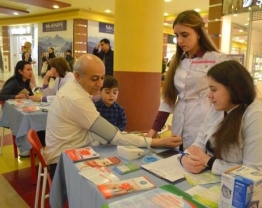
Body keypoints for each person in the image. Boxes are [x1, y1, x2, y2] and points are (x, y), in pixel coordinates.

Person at [43, 54, 182, 179]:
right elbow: (114, 136)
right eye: (94, 79)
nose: (100, 84)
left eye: (102, 78)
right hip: (62, 163)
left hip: (68, 153)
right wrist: (157, 142)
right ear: (78, 76)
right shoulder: (77, 99)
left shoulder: (73, 88)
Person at [179, 60, 262, 194]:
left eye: (214, 89)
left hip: (252, 193)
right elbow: (198, 144)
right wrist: (185, 159)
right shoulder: (218, 108)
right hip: (217, 181)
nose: (209, 95)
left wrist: (209, 161)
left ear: (233, 88)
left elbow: (253, 173)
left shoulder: (255, 115)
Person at [146, 10, 227, 150]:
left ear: (199, 33)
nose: (180, 41)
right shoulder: (177, 61)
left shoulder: (216, 59)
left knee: (198, 158)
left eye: (185, 35)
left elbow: (230, 95)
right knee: (179, 158)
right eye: (177, 36)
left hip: (205, 120)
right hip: (179, 121)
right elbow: (168, 100)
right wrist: (153, 131)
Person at [0, 61, 34, 156]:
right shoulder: (13, 82)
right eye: (28, 69)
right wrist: (16, 97)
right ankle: (25, 147)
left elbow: (31, 95)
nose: (30, 72)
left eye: (31, 69)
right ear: (20, 71)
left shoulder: (26, 82)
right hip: (12, 113)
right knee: (27, 120)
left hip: (24, 109)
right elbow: (1, 95)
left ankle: (33, 145)